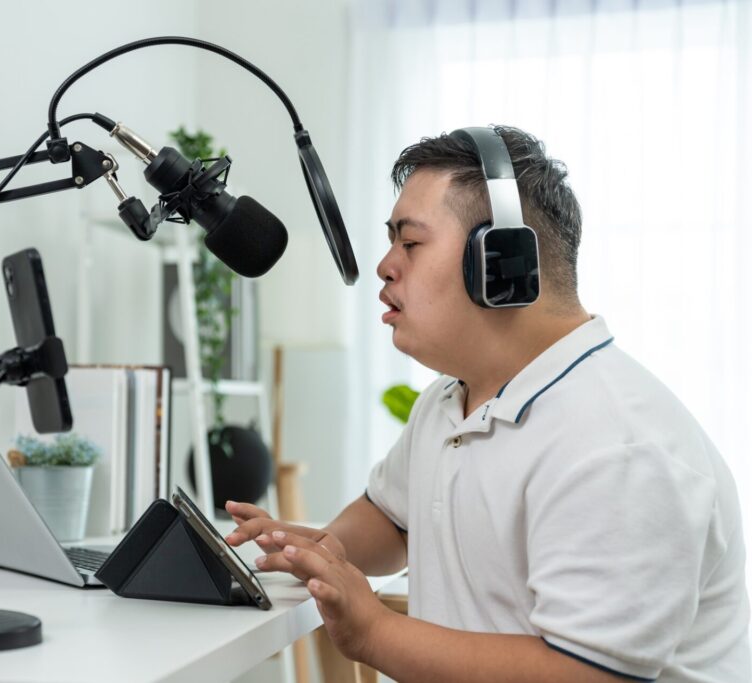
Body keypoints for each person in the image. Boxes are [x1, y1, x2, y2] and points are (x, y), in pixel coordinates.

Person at [225, 126, 750, 682]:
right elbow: (395, 518)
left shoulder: (617, 449)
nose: (385, 265)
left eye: (410, 242)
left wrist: (375, 632)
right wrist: (328, 550)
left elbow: (583, 675)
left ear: (501, 264)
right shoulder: (451, 401)